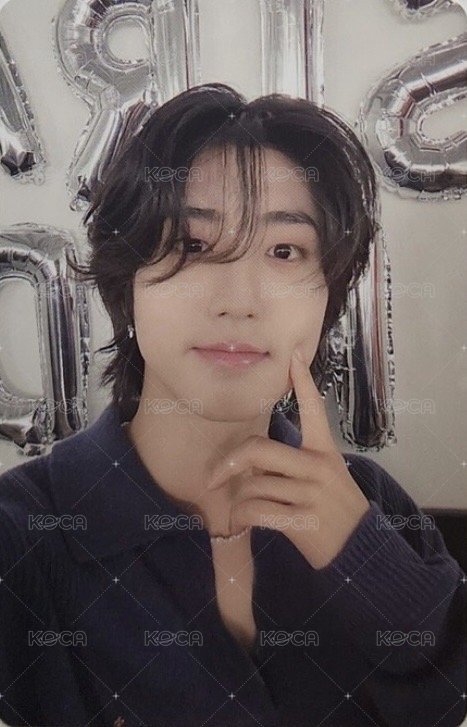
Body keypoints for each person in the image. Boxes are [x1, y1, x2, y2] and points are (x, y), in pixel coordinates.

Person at [0, 82, 465, 727]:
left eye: (284, 251)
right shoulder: (24, 534)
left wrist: (366, 562)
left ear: (326, 296)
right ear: (126, 282)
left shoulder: (372, 502)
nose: (239, 301)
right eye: (192, 245)